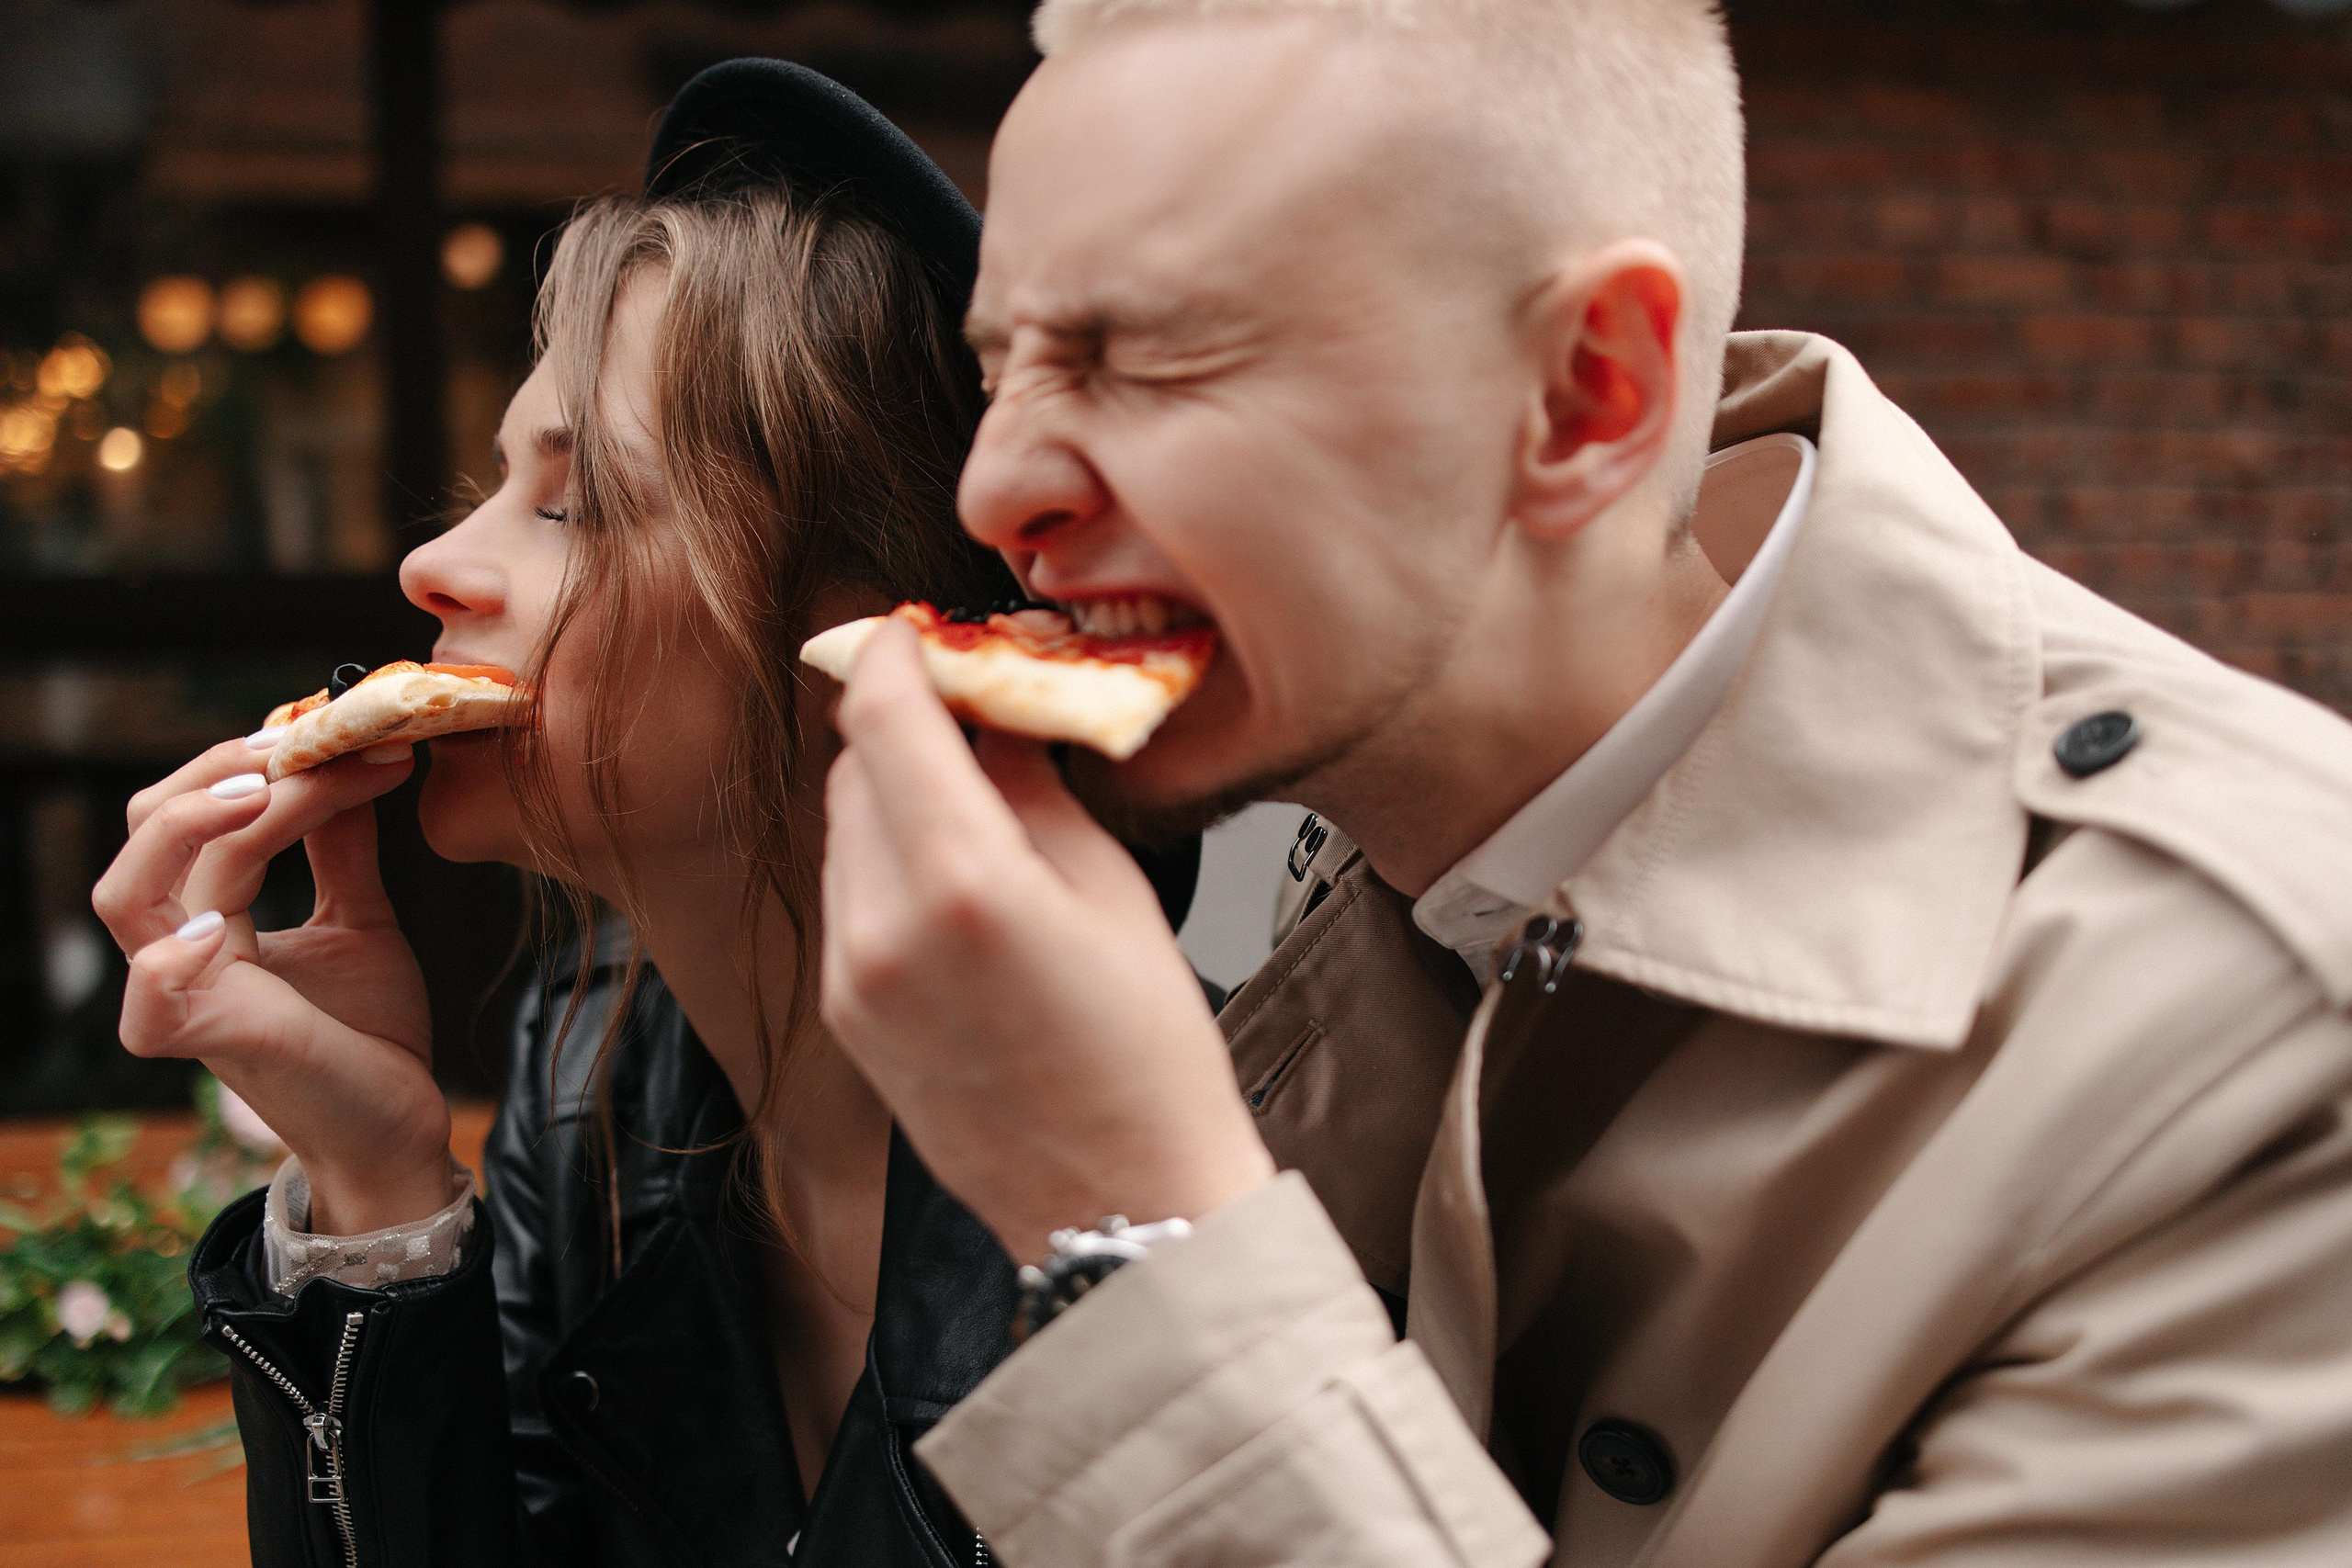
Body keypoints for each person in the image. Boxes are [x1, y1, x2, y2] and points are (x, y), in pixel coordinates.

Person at [815, 4, 2352, 1566]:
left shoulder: (2267, 1042)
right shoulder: (1391, 837)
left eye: (1143, 355)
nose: (993, 490)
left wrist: (1126, 1223)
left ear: (1587, 396)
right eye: (1004, 369)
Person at [92, 62, 1198, 1568]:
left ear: (879, 637)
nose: (435, 568)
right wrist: (370, 1182)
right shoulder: (587, 1075)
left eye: (578, 500)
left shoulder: (1199, 1162)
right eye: (495, 486)